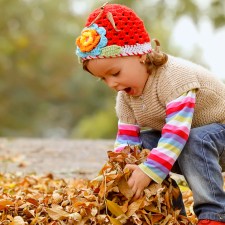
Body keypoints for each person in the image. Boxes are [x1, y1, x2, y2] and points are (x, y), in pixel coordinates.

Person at [75, 3, 225, 225]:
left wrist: (148, 171)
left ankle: (213, 214)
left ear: (141, 55)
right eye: (103, 79)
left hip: (217, 137)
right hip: (188, 143)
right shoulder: (125, 97)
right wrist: (122, 174)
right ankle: (170, 213)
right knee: (142, 146)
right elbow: (126, 143)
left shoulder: (175, 78)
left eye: (115, 73)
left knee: (195, 140)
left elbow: (177, 132)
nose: (111, 84)